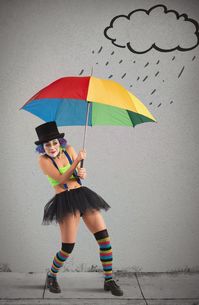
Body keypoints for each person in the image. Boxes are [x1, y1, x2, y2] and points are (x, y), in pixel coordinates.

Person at [35, 121, 123, 296]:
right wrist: (76, 163)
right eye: (47, 144)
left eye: (54, 143)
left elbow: (75, 176)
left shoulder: (69, 150)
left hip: (82, 196)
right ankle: (51, 276)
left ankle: (109, 280)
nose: (51, 147)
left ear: (59, 142)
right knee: (67, 248)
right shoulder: (43, 160)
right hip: (65, 201)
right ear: (42, 147)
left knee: (104, 240)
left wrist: (81, 173)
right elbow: (60, 179)